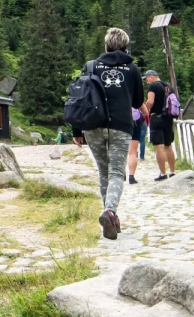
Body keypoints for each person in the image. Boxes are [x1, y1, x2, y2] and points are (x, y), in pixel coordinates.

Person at [73, 27, 144, 240]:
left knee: (103, 172)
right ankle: (110, 212)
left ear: (105, 46)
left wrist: (77, 130)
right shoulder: (132, 69)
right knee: (116, 173)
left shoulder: (91, 66)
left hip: (92, 125)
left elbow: (79, 98)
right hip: (121, 126)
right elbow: (137, 102)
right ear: (125, 47)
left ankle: (111, 216)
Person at [145, 70, 177, 181]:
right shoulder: (168, 86)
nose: (146, 81)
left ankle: (163, 173)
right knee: (168, 145)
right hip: (168, 119)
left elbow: (150, 102)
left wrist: (145, 108)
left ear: (152, 77)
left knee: (159, 146)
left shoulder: (153, 86)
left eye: (147, 78)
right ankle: (173, 172)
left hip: (156, 117)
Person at [127, 107, 149, 185]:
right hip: (135, 123)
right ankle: (131, 176)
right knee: (133, 152)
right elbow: (145, 111)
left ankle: (120, 173)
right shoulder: (135, 96)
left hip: (119, 123)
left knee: (119, 150)